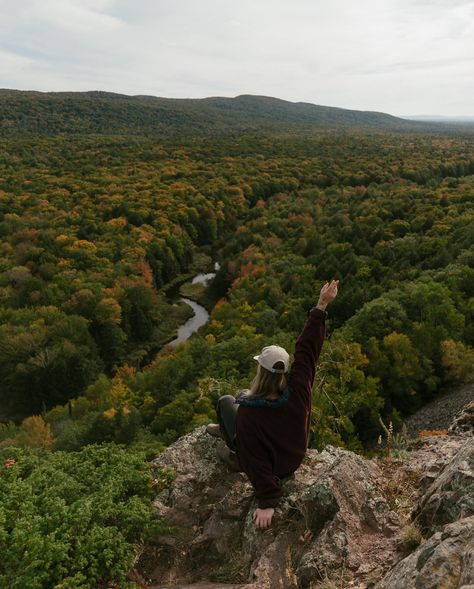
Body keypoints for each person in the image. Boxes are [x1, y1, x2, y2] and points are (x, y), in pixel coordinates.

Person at [206, 279, 339, 529]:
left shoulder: (249, 413)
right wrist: (322, 305)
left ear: (260, 370)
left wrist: (267, 501)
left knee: (227, 402)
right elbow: (307, 349)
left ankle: (230, 445)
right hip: (294, 455)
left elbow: (255, 461)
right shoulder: (298, 387)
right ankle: (229, 436)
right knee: (240, 395)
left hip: (275, 467)